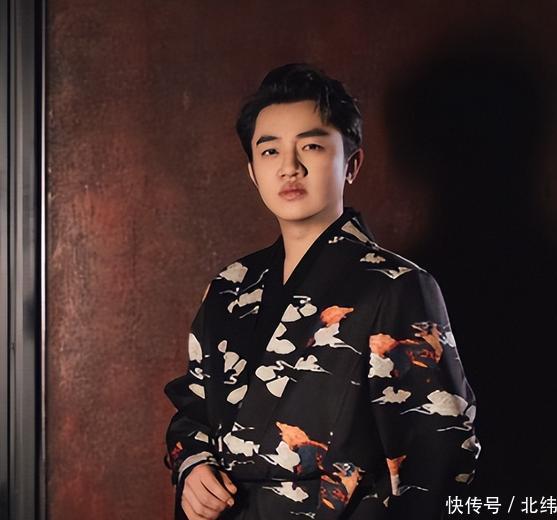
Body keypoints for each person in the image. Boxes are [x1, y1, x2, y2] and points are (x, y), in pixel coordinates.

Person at [164, 63, 480, 520]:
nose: (289, 167)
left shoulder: (396, 286)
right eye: (270, 151)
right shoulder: (230, 287)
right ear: (253, 172)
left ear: (351, 164)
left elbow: (441, 456)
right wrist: (193, 466)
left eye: (311, 146)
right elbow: (192, 409)